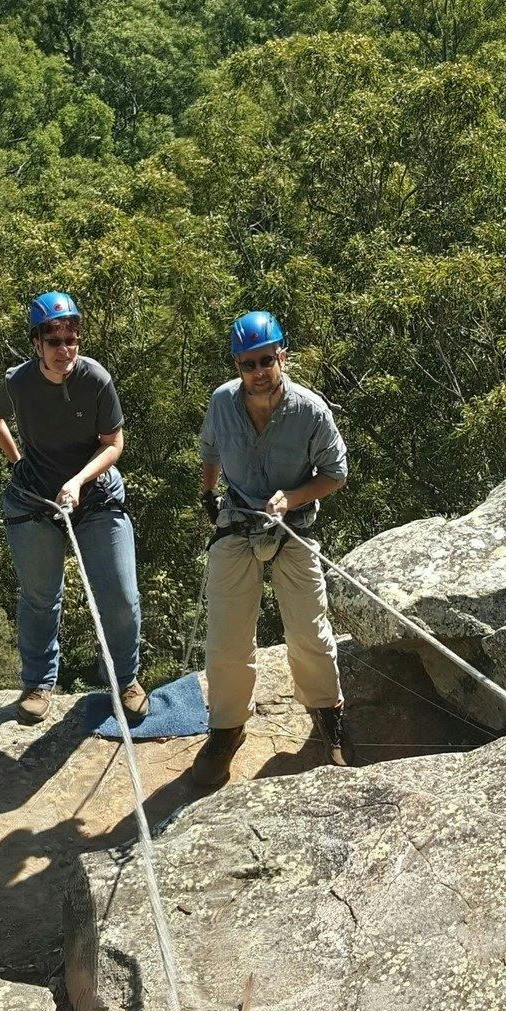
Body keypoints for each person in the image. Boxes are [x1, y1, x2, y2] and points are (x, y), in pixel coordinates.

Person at [0, 290, 146, 724]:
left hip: (96, 497)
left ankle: (124, 679)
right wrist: (17, 461)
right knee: (40, 597)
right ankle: (38, 683)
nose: (64, 350)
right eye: (53, 341)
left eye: (71, 340)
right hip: (34, 500)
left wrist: (77, 480)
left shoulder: (95, 380)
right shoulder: (19, 382)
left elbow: (114, 444)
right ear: (36, 343)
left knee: (121, 597)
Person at [195, 310, 349, 777]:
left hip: (294, 526)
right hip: (238, 521)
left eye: (267, 360)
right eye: (249, 364)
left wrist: (292, 498)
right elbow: (209, 451)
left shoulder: (310, 411)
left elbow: (336, 474)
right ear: (237, 366)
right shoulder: (222, 403)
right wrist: (209, 495)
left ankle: (328, 714)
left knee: (309, 630)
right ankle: (227, 729)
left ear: (282, 356)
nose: (259, 372)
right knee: (226, 634)